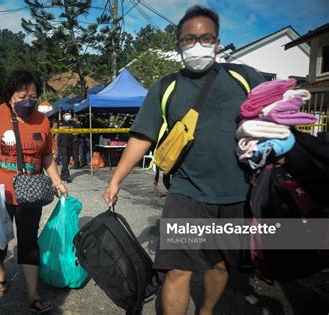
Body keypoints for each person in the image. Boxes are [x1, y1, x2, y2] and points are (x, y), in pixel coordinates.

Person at [103, 6, 266, 315]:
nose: (197, 45)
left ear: (217, 43)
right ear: (178, 45)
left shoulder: (245, 77)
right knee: (177, 269)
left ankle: (205, 311)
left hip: (238, 192)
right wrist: (116, 180)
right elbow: (142, 137)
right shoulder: (166, 87)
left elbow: (274, 118)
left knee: (219, 265)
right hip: (187, 193)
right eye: (189, 39)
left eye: (205, 38)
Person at [0, 69, 67, 313]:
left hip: (30, 192)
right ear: (10, 95)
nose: (28, 101)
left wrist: (56, 181)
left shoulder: (42, 120)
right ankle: (1, 273)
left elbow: (46, 155)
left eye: (32, 96)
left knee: (29, 241)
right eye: (22, 95)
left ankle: (33, 294)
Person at [57, 111, 75, 182]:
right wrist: (69, 128)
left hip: (70, 142)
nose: (68, 116)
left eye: (69, 114)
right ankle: (67, 175)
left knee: (67, 159)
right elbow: (60, 128)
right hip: (62, 143)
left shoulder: (71, 122)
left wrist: (70, 128)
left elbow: (75, 131)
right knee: (64, 158)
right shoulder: (60, 122)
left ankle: (62, 174)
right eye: (67, 114)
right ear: (63, 116)